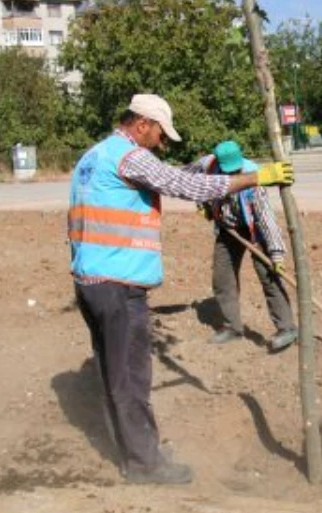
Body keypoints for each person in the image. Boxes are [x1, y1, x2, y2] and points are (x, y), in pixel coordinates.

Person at [68, 93, 295, 486]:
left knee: (114, 375)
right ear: (141, 124)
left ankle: (135, 452)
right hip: (118, 285)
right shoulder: (130, 156)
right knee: (131, 378)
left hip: (91, 281)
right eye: (159, 134)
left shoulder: (93, 156)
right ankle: (145, 465)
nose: (161, 143)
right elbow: (184, 183)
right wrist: (258, 177)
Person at [191, 140, 297, 352]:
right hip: (228, 228)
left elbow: (266, 219)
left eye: (236, 169)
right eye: (229, 171)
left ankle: (287, 328)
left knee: (269, 275)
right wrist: (203, 205)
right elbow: (190, 180)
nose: (235, 174)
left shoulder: (253, 178)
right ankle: (232, 327)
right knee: (222, 278)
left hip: (253, 228)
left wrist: (276, 254)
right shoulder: (208, 165)